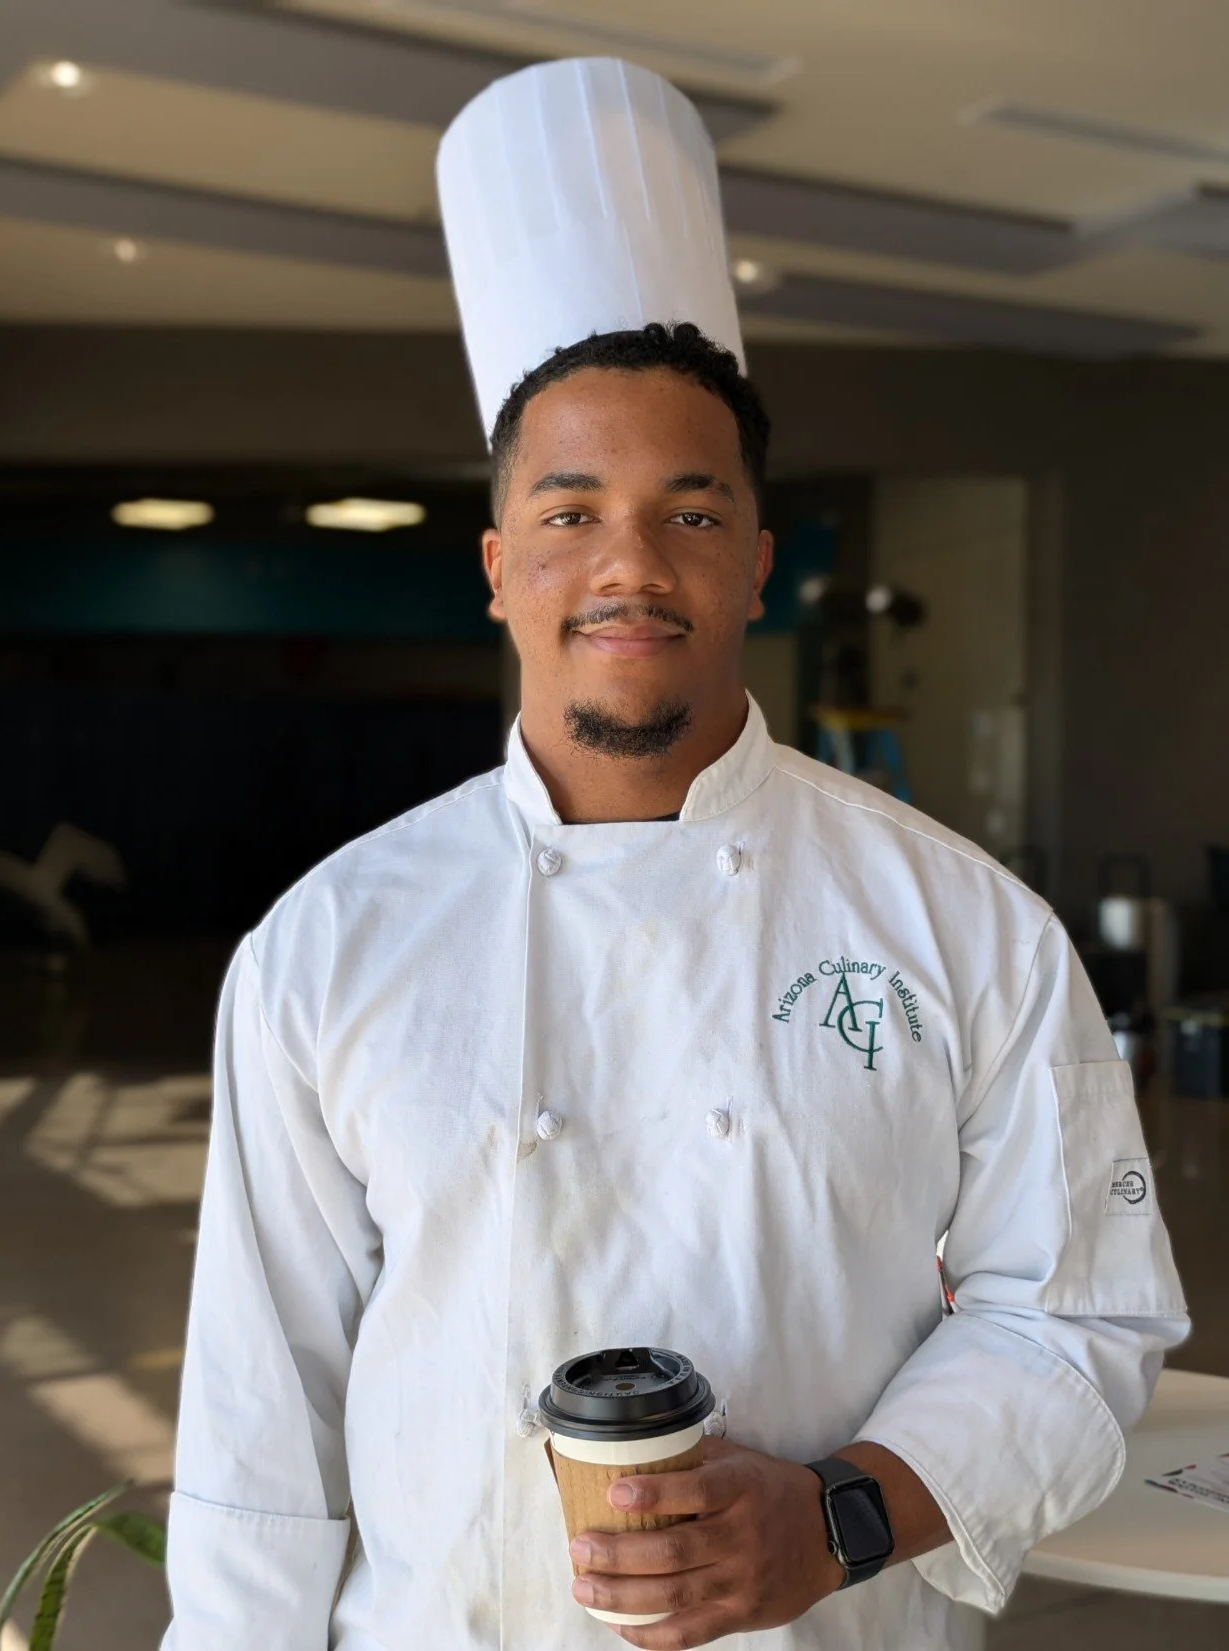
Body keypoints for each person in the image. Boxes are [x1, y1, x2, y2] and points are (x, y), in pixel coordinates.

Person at [161, 60, 1188, 1651]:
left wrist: (848, 1509)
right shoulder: (329, 944)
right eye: (569, 513)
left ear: (759, 561)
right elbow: (258, 1421)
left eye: (690, 513)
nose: (627, 565)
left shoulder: (961, 922)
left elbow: (1079, 1309)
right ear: (498, 572)